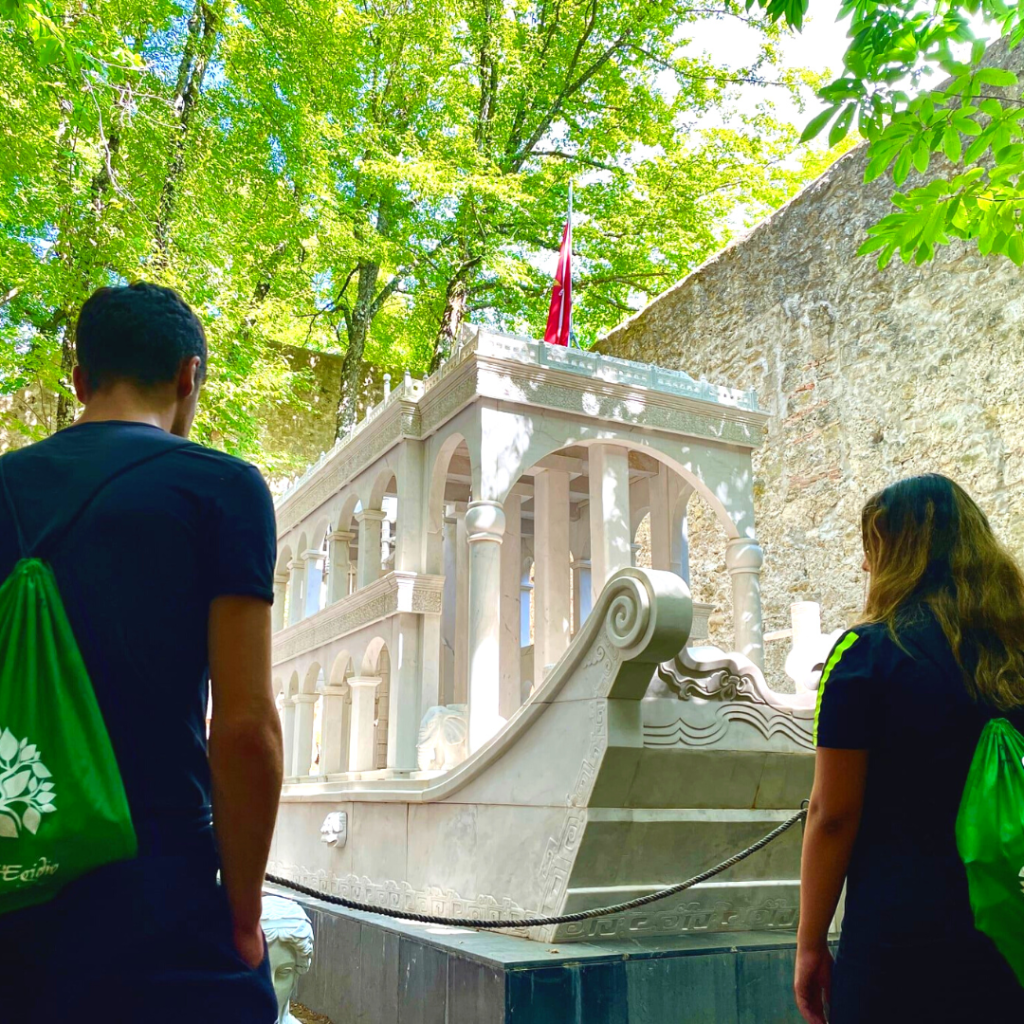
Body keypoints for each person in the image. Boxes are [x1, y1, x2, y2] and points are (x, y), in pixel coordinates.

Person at [0, 283, 283, 1021]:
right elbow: (246, 728)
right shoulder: (221, 489)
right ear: (189, 377)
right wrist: (244, 914)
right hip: (158, 892)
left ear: (81, 380)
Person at [795, 474, 1024, 1023]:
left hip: (899, 933)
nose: (865, 568)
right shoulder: (1014, 651)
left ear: (898, 554)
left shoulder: (867, 654)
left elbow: (832, 813)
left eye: (872, 550)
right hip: (1005, 923)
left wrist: (809, 944)